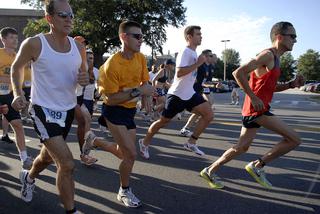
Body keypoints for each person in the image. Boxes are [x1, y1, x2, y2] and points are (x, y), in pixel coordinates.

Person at [199, 21, 304, 189]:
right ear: (279, 37)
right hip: (257, 110)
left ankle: (209, 170)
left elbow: (270, 88)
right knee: (294, 139)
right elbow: (237, 72)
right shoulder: (268, 55)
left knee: (241, 148)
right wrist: (253, 97)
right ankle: (257, 166)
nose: (295, 40)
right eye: (293, 36)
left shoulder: (275, 59)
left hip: (255, 109)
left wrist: (291, 85)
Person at [10, 0, 88, 212]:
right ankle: (70, 210)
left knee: (46, 157)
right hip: (42, 110)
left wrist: (84, 79)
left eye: (71, 15)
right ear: (49, 18)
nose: (69, 19)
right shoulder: (35, 44)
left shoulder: (79, 47)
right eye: (63, 15)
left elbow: (83, 77)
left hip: (67, 110)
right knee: (67, 164)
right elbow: (16, 68)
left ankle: (28, 177)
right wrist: (17, 94)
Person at [97, 20, 153, 208]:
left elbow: (145, 83)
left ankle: (95, 141)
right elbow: (111, 99)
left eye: (142, 36)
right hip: (113, 111)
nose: (141, 40)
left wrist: (146, 102)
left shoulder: (141, 58)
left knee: (124, 153)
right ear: (124, 37)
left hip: (129, 111)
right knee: (130, 154)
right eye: (137, 36)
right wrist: (139, 93)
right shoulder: (112, 64)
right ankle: (124, 190)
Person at [138, 25, 213, 159]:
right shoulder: (185, 52)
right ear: (189, 37)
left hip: (189, 94)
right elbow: (179, 73)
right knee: (163, 122)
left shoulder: (194, 52)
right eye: (198, 34)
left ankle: (191, 142)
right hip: (177, 95)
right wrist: (198, 63)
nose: (201, 36)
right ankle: (144, 142)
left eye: (201, 34)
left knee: (208, 114)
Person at [0, 26, 33, 167]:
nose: (15, 40)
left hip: (8, 96)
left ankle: (24, 157)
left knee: (18, 125)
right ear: (3, 39)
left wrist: (21, 92)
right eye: (11, 37)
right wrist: (6, 79)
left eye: (16, 38)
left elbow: (24, 78)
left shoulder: (19, 57)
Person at [179, 50, 216, 137]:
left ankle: (186, 128)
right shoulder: (200, 66)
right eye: (210, 56)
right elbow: (200, 82)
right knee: (203, 110)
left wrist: (215, 84)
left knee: (205, 108)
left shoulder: (209, 67)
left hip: (201, 90)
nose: (212, 57)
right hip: (193, 90)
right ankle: (185, 126)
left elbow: (207, 82)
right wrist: (214, 85)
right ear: (206, 57)